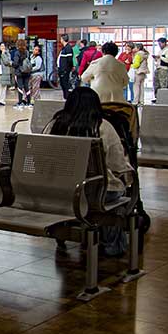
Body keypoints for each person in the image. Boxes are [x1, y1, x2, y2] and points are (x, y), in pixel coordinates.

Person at [43, 87, 133, 257]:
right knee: (117, 198)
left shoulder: (55, 125)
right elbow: (117, 164)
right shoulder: (103, 127)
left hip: (60, 190)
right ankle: (112, 246)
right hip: (96, 193)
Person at [13, 39, 32, 107]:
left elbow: (15, 63)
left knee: (20, 87)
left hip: (19, 72)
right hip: (27, 72)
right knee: (26, 86)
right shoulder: (27, 52)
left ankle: (20, 102)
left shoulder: (17, 53)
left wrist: (13, 65)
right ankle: (29, 102)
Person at [0, 42, 13, 106]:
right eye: (1, 46)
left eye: (3, 46)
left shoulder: (7, 53)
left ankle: (2, 100)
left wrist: (3, 54)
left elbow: (7, 62)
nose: (2, 47)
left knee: (3, 86)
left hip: (4, 72)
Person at [57, 35, 75, 99]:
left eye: (61, 39)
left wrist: (70, 67)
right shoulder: (64, 48)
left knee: (65, 83)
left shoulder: (68, 48)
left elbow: (69, 59)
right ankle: (65, 96)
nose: (60, 40)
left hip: (65, 69)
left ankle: (67, 97)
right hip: (62, 69)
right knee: (63, 83)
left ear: (62, 39)